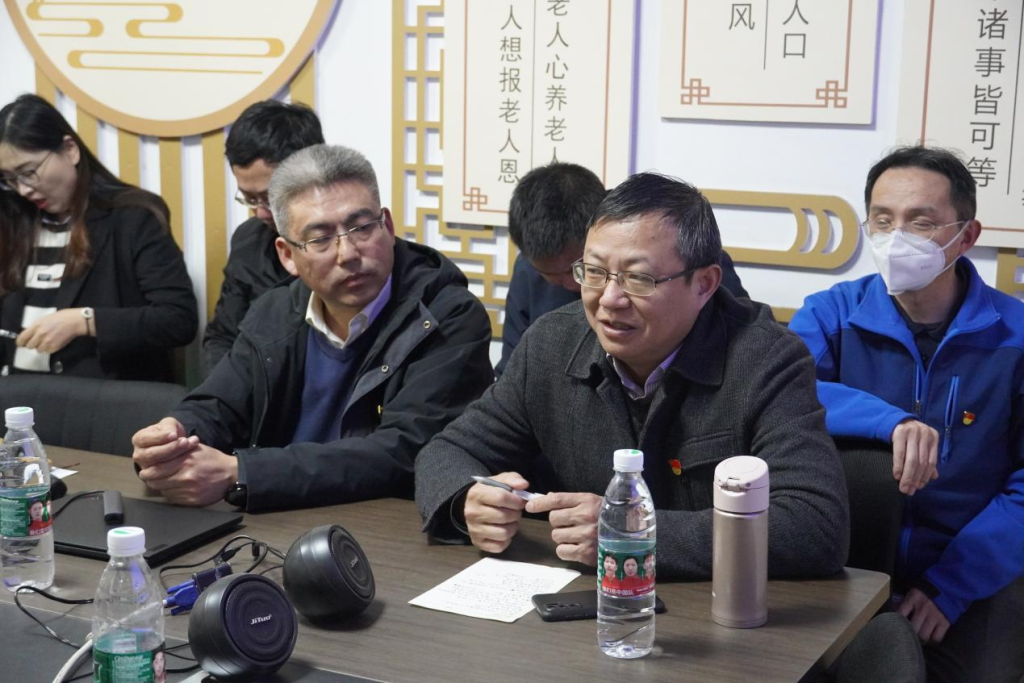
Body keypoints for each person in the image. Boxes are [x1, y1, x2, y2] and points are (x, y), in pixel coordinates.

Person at [416, 172, 849, 581]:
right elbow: (448, 451)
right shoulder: (550, 344)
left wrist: (633, 532)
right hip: (586, 607)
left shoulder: (767, 361)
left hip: (717, 615)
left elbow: (815, 525)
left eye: (638, 278)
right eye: (594, 272)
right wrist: (466, 500)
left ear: (704, 284)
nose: (609, 299)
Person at [132, 144, 494, 512]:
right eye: (320, 239)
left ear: (387, 225)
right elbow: (220, 403)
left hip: (384, 524)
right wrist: (173, 435)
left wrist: (242, 472)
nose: (348, 253)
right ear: (287, 255)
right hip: (279, 516)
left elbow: (405, 452)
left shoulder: (447, 316)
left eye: (361, 228)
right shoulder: (275, 310)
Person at [789, 146, 1024, 683]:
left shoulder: (1015, 336)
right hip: (847, 562)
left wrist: (952, 585)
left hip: (972, 570)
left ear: (966, 236)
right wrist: (889, 420)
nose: (897, 238)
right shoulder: (831, 313)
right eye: (882, 220)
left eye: (921, 223)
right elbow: (788, 396)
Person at [0, 94, 197, 381]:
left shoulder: (132, 217)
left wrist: (85, 321)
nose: (23, 189)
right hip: (18, 396)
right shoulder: (13, 219)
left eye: (29, 172)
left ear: (70, 150)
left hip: (98, 399)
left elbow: (177, 320)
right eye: (9, 179)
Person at [498, 162, 749, 376]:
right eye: (551, 275)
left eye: (584, 267)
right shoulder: (529, 279)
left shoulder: (689, 261)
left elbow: (738, 341)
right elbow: (513, 369)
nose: (573, 282)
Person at [202, 100, 325, 374]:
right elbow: (222, 337)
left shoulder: (350, 250)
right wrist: (219, 395)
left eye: (270, 197)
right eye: (249, 198)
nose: (260, 212)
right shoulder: (248, 240)